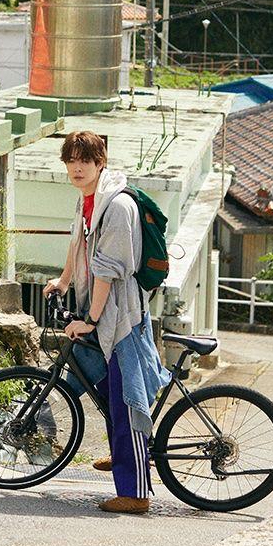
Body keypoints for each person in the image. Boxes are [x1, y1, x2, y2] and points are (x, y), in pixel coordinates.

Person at [42, 129, 170, 514]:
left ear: (101, 163)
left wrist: (92, 320)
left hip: (120, 316)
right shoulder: (89, 200)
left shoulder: (116, 207)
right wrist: (63, 281)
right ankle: (122, 452)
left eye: (85, 160)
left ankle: (135, 494)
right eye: (71, 160)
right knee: (96, 378)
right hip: (101, 309)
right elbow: (77, 245)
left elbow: (108, 270)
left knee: (127, 397)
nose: (76, 167)